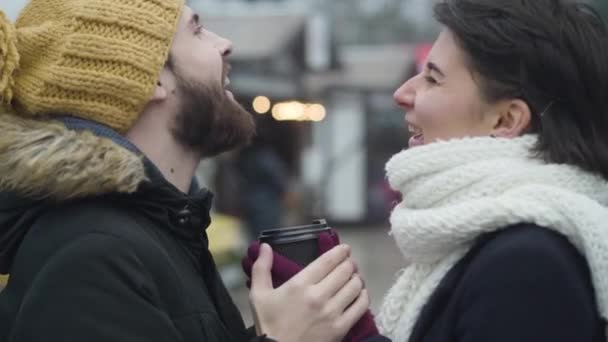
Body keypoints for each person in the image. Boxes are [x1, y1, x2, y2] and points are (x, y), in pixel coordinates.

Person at [0, 1, 371, 341]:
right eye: (197, 30)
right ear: (152, 78)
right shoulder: (90, 258)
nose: (224, 44)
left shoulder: (161, 230)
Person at [375, 0, 608, 341]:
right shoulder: (505, 244)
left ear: (506, 120)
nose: (403, 93)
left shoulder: (527, 266)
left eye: (433, 78)